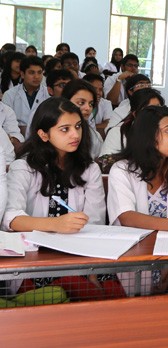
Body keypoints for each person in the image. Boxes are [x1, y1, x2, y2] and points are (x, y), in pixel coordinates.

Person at [4, 97, 124, 301]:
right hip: (37, 259)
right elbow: (12, 219)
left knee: (114, 289)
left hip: (81, 253)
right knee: (78, 287)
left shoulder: (89, 169)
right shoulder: (23, 168)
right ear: (43, 134)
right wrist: (56, 224)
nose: (75, 134)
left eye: (78, 126)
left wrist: (91, 268)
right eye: (65, 129)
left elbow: (94, 220)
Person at [99, 88, 164, 158]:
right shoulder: (118, 133)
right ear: (135, 114)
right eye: (150, 110)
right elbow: (105, 162)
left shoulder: (165, 130)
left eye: (159, 108)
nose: (156, 114)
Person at [61, 80, 104, 159]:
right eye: (81, 103)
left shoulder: (94, 136)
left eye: (91, 104)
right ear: (65, 101)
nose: (88, 108)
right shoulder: (52, 130)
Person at [2, 56, 48, 129]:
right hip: (15, 137)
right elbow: (4, 122)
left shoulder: (48, 94)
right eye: (32, 73)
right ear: (22, 74)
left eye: (39, 72)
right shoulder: (9, 95)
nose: (36, 77)